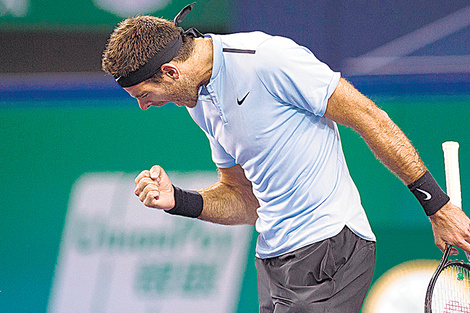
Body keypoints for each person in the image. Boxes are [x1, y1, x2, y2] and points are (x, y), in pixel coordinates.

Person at [101, 3, 470, 312]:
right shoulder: (198, 101)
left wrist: (437, 207)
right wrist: (178, 200)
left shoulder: (268, 60)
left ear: (170, 71)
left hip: (331, 246)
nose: (144, 106)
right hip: (274, 260)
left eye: (143, 93)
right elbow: (245, 201)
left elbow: (370, 118)